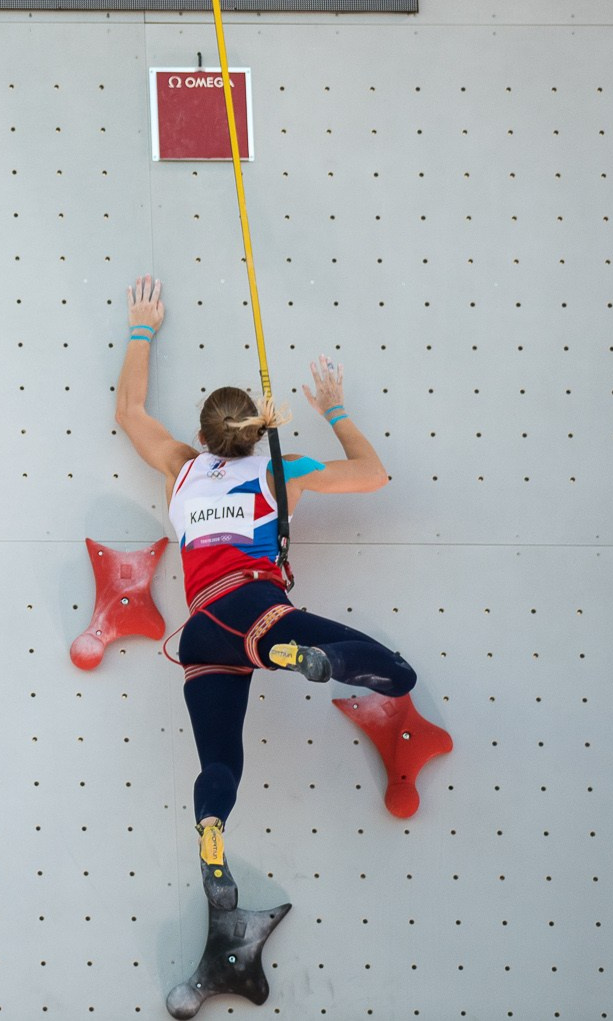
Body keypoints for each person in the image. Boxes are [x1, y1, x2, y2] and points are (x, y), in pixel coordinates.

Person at [112, 275, 417, 907]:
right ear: (256, 430)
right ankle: (295, 657)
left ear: (203, 436)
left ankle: (212, 830)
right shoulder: (282, 470)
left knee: (220, 764)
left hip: (201, 630)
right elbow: (373, 475)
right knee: (395, 674)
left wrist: (143, 328)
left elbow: (130, 414)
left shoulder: (180, 467)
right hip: (254, 610)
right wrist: (334, 410)